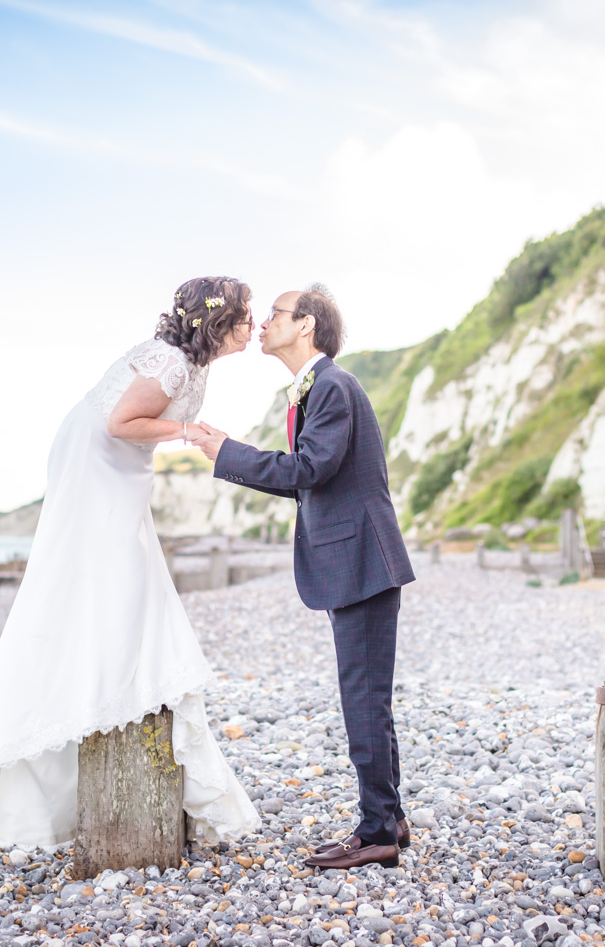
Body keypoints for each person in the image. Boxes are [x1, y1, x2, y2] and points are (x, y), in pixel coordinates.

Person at [0, 277, 260, 849]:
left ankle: (126, 659)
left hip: (121, 460)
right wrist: (188, 430)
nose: (252, 325)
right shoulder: (170, 361)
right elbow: (120, 422)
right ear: (220, 320)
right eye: (245, 316)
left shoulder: (194, 361)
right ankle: (109, 668)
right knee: (109, 561)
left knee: (126, 560)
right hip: (98, 454)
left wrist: (183, 432)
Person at [192, 284, 415, 869]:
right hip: (358, 561)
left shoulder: (333, 386)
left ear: (307, 325)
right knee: (369, 698)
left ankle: (377, 834)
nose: (263, 323)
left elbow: (309, 469)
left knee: (364, 699)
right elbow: (311, 474)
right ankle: (388, 820)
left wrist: (226, 452)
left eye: (275, 315)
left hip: (362, 562)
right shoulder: (318, 388)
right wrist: (228, 453)